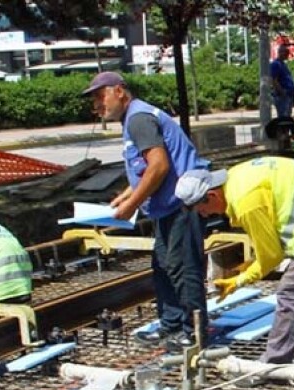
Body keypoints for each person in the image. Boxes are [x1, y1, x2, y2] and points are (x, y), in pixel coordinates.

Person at [83, 71, 208, 353]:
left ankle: (193, 332)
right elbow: (144, 170)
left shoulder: (139, 119)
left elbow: (159, 166)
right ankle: (172, 324)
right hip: (167, 206)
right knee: (163, 266)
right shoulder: (134, 118)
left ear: (119, 91)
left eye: (100, 97)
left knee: (182, 268)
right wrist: (127, 196)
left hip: (181, 204)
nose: (97, 106)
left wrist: (130, 206)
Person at [192, 157, 294, 369]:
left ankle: (272, 366)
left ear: (212, 194)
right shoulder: (235, 178)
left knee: (291, 293)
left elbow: (272, 256)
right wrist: (250, 264)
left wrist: (242, 279)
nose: (207, 215)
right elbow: (269, 247)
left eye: (204, 210)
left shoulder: (245, 204)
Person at [270, 44, 294, 119]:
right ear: (281, 53)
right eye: (286, 53)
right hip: (282, 96)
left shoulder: (283, 64)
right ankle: (282, 131)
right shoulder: (276, 64)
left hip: (288, 95)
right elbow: (274, 80)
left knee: (287, 117)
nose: (288, 55)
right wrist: (282, 92)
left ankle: (285, 130)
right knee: (283, 118)